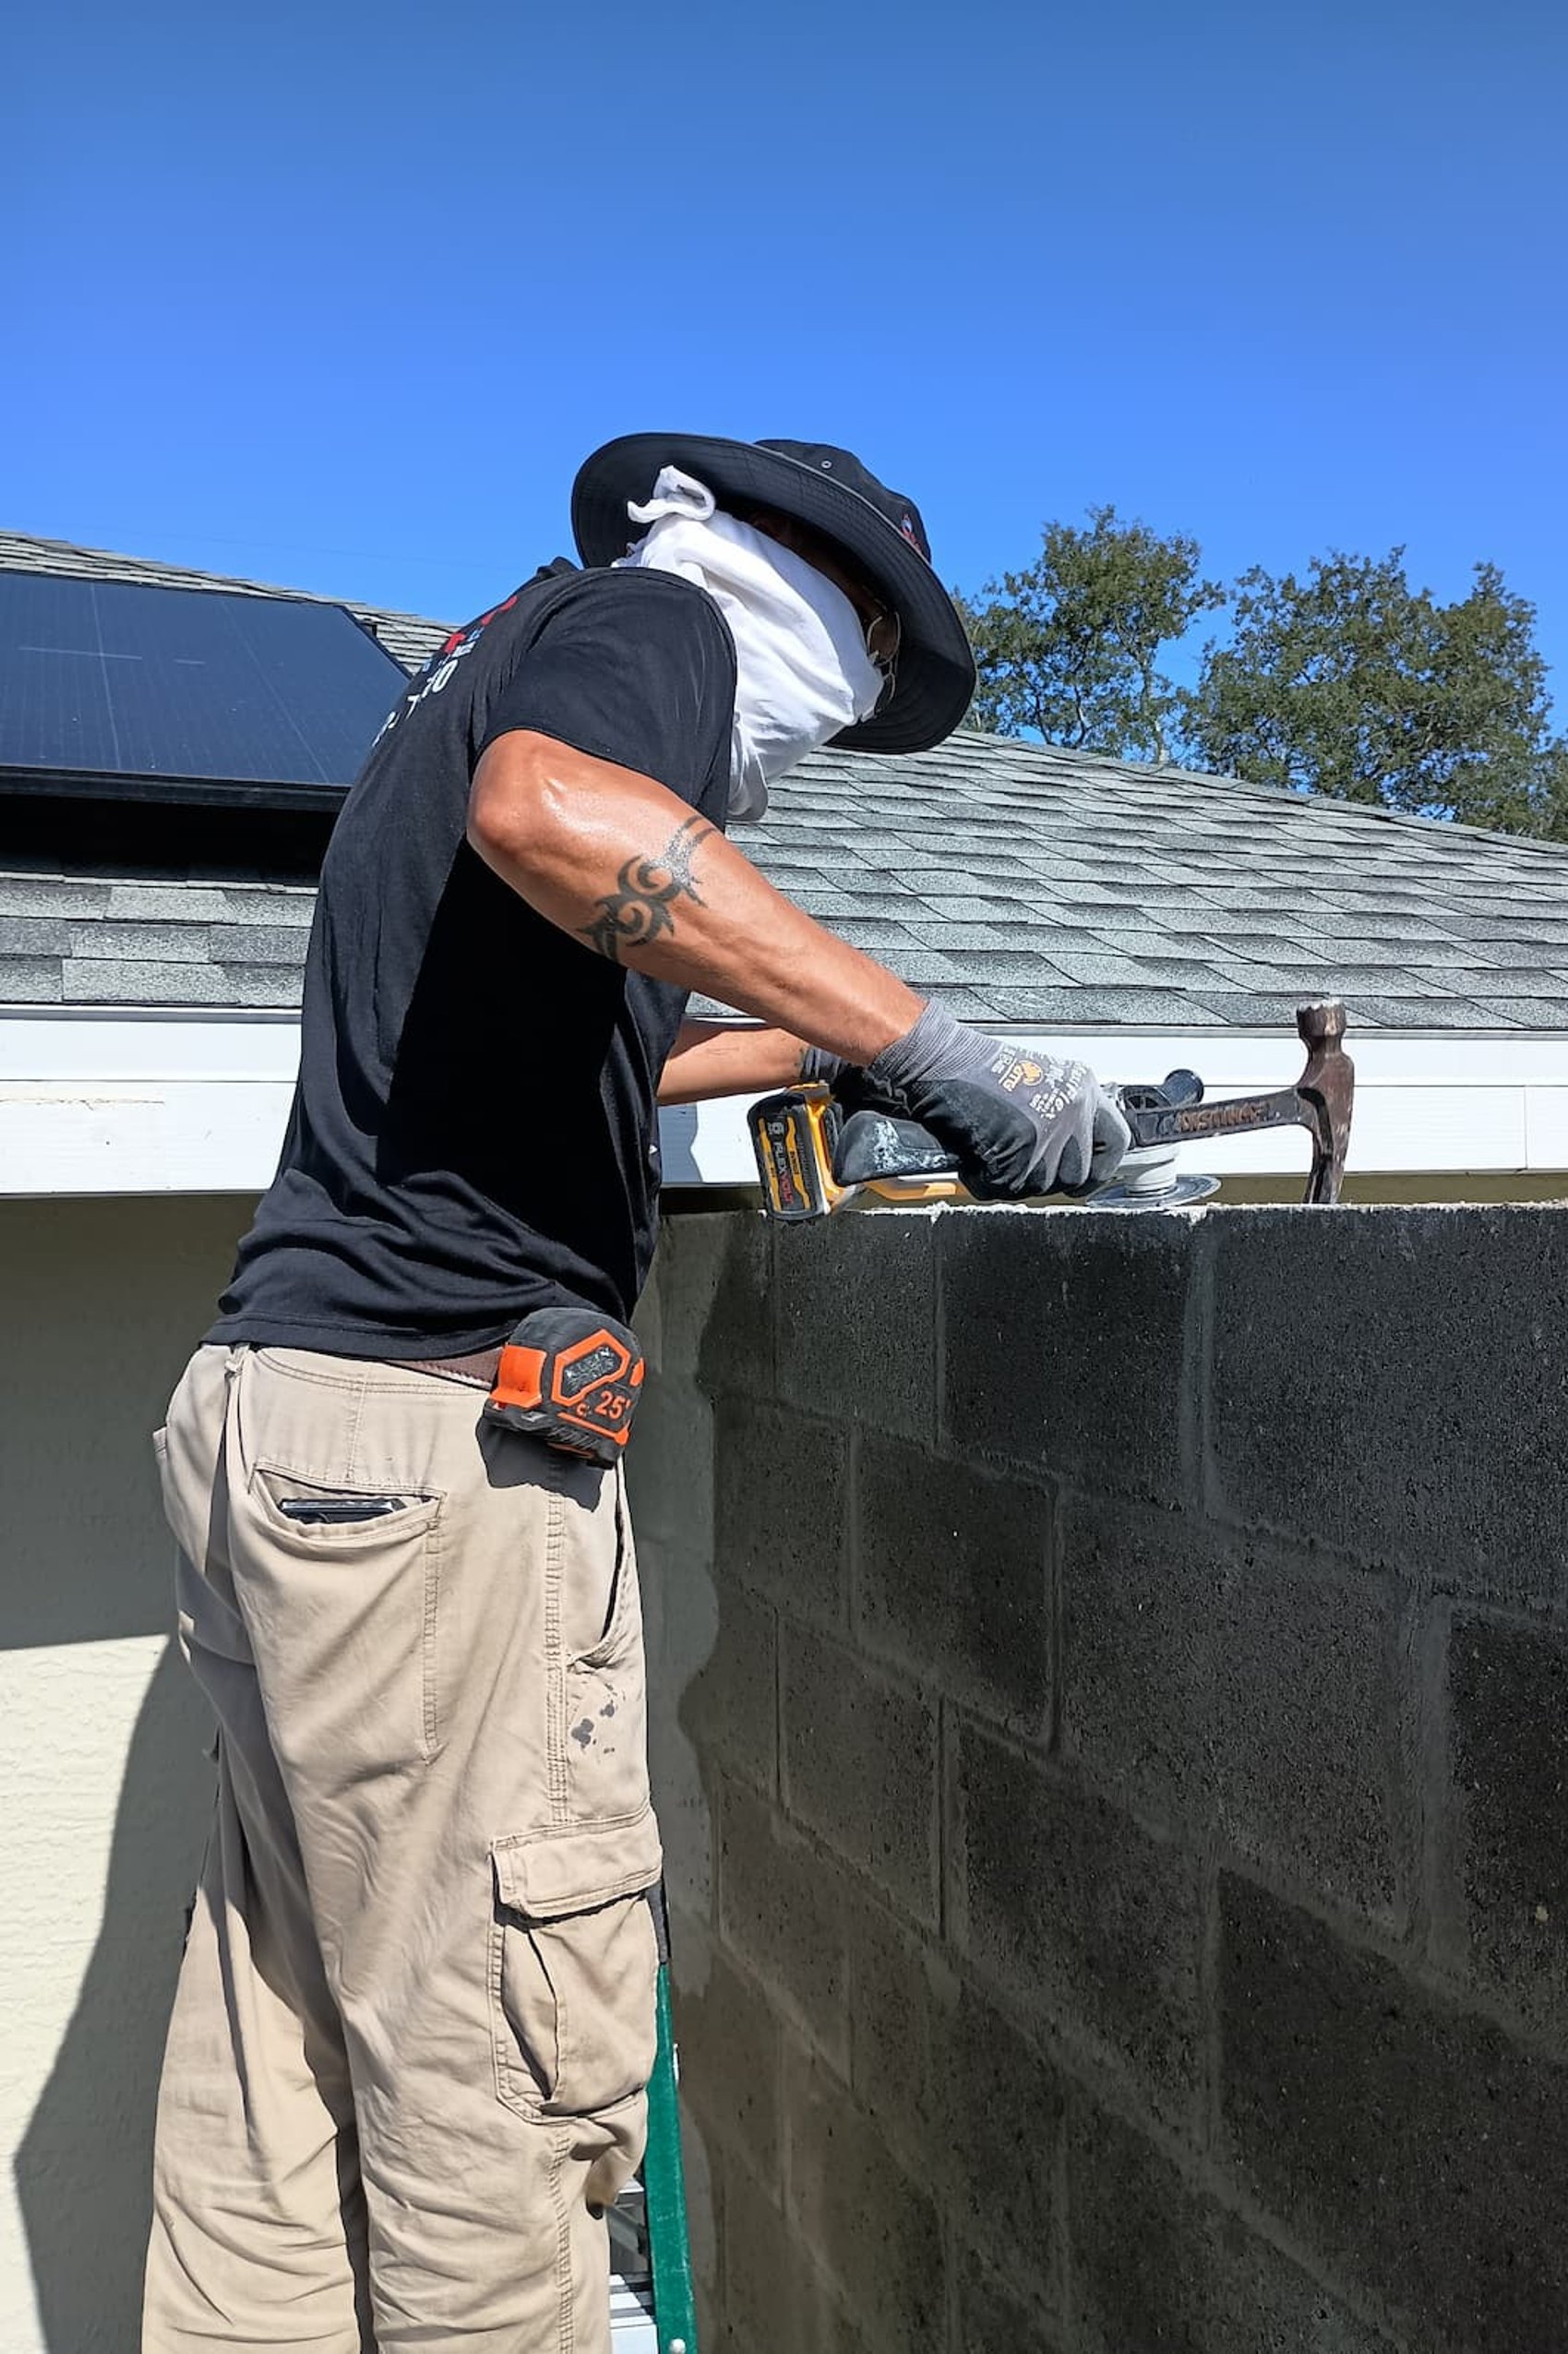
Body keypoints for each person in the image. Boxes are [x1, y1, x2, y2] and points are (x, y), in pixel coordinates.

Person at [145, 435, 1127, 2352]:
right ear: (827, 604)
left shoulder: (486, 660)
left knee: (284, 2076)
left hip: (273, 1423)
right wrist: (928, 1039)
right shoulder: (661, 619)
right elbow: (554, 817)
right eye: (855, 668)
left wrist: (876, 1063)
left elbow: (616, 1018)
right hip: (433, 1461)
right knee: (489, 2109)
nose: (822, 731)